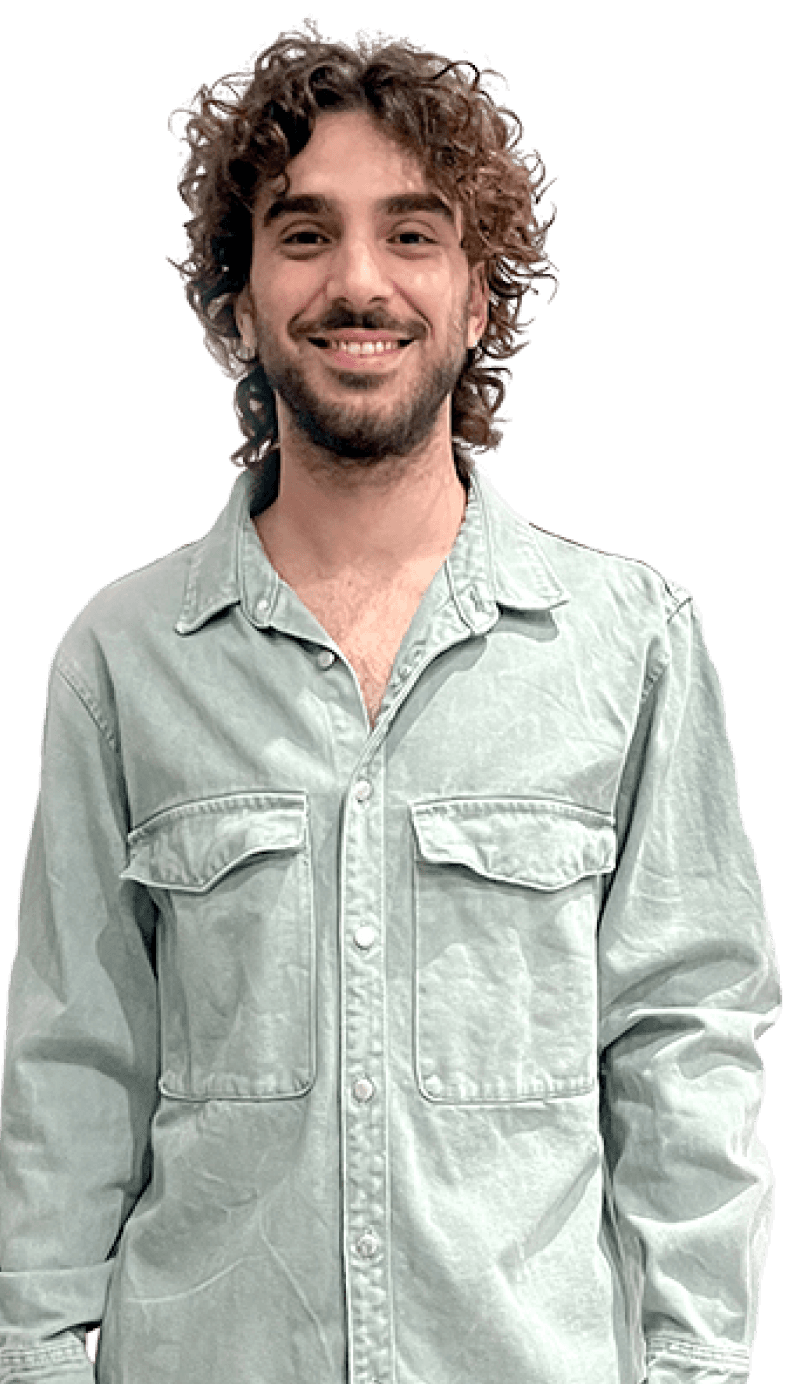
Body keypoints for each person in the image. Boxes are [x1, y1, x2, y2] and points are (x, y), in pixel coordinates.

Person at [0, 17, 780, 1384]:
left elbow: (685, 1045)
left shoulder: (635, 645)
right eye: (304, 234)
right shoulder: (119, 658)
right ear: (238, 304)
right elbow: (71, 1065)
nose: (358, 281)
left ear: (479, 301)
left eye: (413, 234)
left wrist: (696, 1367)